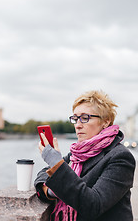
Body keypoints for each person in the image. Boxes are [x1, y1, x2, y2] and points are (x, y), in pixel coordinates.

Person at [34, 90, 136, 221]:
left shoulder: (120, 157)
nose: (78, 125)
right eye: (75, 118)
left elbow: (94, 205)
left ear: (105, 121)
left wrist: (56, 164)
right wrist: (51, 191)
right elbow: (42, 175)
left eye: (85, 118)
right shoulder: (77, 154)